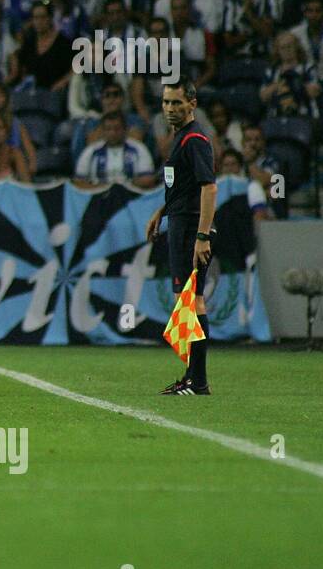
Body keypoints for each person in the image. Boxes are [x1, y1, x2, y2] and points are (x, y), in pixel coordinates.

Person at [145, 81, 217, 397]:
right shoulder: (181, 139)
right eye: (166, 103)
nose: (170, 109)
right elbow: (185, 187)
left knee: (192, 300)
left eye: (176, 103)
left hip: (190, 228)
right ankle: (192, 378)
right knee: (185, 301)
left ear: (192, 103)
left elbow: (209, 188)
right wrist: (161, 211)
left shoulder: (196, 140)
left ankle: (197, 381)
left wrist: (202, 235)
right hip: (180, 222)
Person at [73, 111, 156, 188]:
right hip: (98, 198)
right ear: (102, 131)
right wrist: (102, 189)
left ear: (125, 129)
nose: (112, 133)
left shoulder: (138, 149)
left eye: (117, 129)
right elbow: (79, 182)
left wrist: (122, 187)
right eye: (108, 129)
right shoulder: (91, 151)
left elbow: (148, 179)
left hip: (131, 198)